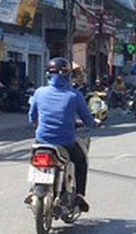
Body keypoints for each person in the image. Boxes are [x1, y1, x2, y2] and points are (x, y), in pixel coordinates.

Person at [28, 57, 97, 212]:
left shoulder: (39, 93)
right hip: (66, 141)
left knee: (33, 160)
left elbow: (32, 117)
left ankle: (32, 189)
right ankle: (79, 195)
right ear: (67, 75)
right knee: (81, 162)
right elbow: (88, 120)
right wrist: (93, 123)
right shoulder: (74, 95)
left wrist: (38, 124)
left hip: (42, 140)